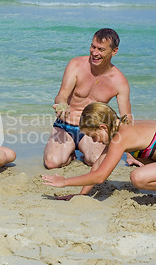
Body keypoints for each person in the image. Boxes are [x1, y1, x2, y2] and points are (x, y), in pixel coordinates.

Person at [42, 102, 156, 207]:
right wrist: (81, 195)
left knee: (138, 177)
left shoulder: (120, 136)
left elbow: (100, 177)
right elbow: (98, 165)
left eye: (94, 136)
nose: (97, 141)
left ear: (103, 127)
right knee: (138, 158)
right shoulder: (118, 126)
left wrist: (65, 182)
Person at [43, 28, 134, 196]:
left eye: (101, 49)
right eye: (93, 47)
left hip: (91, 132)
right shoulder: (76, 65)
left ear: (114, 51)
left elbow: (126, 119)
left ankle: (80, 152)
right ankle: (70, 154)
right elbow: (61, 95)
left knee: (95, 160)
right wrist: (62, 105)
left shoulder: (119, 81)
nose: (95, 53)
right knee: (52, 162)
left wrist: (131, 153)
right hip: (65, 125)